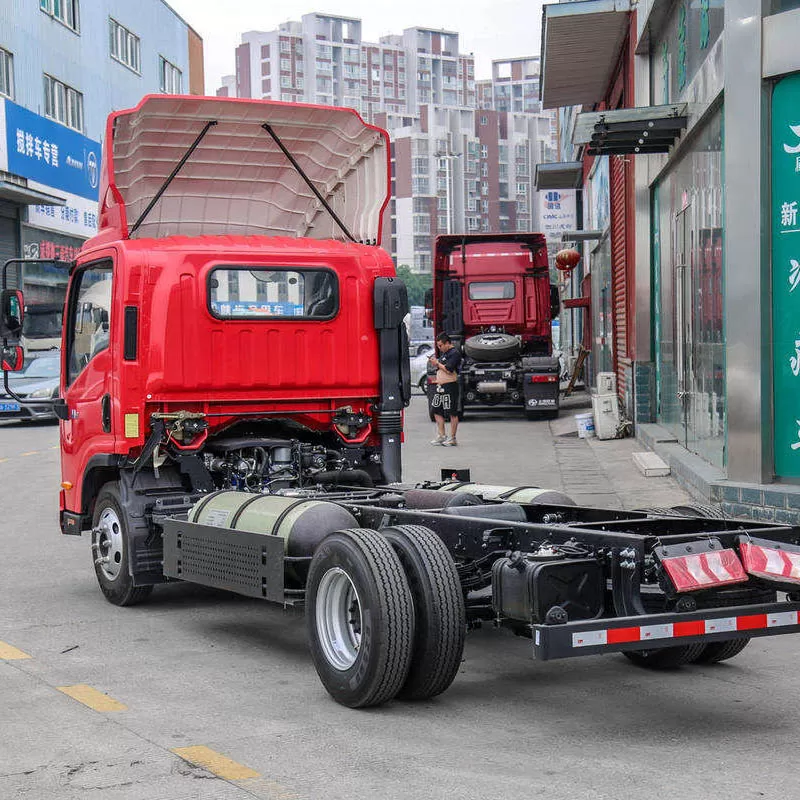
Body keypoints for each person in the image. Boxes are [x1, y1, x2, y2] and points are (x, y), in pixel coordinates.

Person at [429, 332, 462, 446]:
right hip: (440, 386)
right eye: (438, 346)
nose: (440, 348)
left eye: (441, 345)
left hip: (450, 386)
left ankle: (453, 438)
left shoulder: (454, 353)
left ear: (447, 343)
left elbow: (448, 369)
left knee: (452, 412)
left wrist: (437, 363)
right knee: (436, 410)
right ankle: (442, 435)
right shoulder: (445, 354)